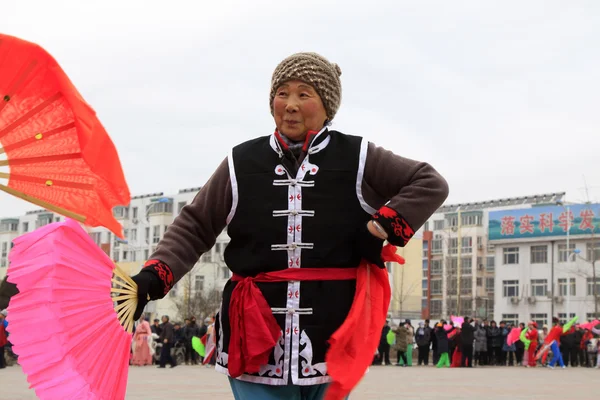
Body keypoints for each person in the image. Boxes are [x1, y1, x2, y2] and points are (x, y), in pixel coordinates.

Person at [129, 52, 448, 399]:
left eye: (304, 94)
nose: (291, 104)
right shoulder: (241, 161)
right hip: (253, 332)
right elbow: (195, 225)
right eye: (282, 93)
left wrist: (379, 228)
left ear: (327, 105)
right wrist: (153, 277)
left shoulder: (357, 156)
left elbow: (429, 182)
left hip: (330, 335)